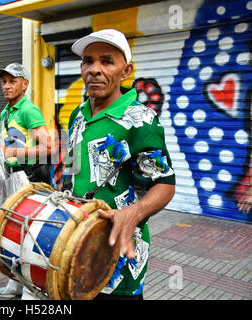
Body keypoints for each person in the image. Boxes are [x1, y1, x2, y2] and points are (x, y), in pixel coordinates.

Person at [64, 29, 176, 299]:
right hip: (80, 243)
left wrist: (132, 214)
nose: (94, 70)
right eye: (88, 61)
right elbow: (76, 172)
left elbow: (165, 184)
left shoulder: (141, 119)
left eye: (106, 61)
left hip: (121, 252)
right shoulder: (77, 115)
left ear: (126, 71)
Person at [0, 63, 52, 299]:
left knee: (29, 234)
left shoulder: (29, 111)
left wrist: (12, 153)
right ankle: (15, 282)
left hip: (28, 179)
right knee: (12, 232)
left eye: (12, 81)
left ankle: (31, 289)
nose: (6, 86)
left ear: (24, 84)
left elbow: (47, 148)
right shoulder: (6, 112)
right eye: (4, 81)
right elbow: (10, 145)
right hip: (11, 178)